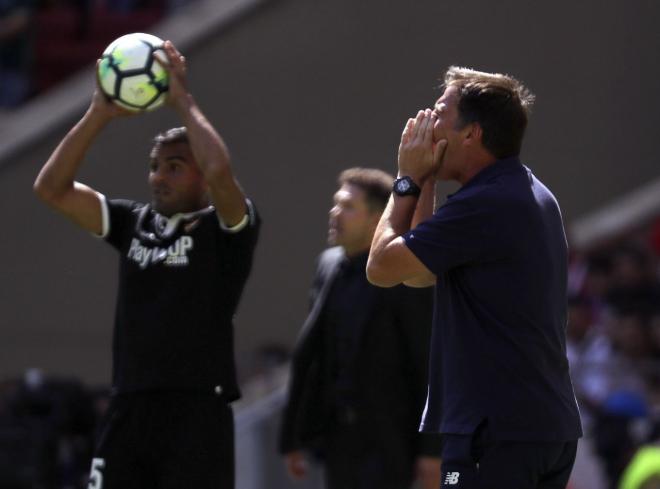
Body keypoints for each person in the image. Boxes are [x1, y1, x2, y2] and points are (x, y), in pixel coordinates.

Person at [33, 41, 259, 489]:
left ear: (201, 180)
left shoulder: (228, 228)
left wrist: (182, 101)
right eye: (154, 166)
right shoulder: (132, 222)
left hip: (196, 410)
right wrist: (98, 111)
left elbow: (219, 171)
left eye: (175, 167)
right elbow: (52, 188)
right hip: (129, 404)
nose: (159, 177)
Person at [367, 67, 582, 488]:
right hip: (535, 427)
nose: (427, 119)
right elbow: (419, 275)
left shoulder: (487, 204)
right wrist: (427, 179)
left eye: (441, 110)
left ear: (472, 134)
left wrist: (406, 179)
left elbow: (381, 268)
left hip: (495, 431)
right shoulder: (520, 191)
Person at [279, 168, 441, 489]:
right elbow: (312, 355)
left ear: (376, 218)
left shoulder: (403, 272)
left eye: (348, 206)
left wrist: (432, 451)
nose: (334, 213)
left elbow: (428, 362)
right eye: (336, 204)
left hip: (390, 443)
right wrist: (293, 436)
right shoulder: (327, 266)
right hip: (337, 439)